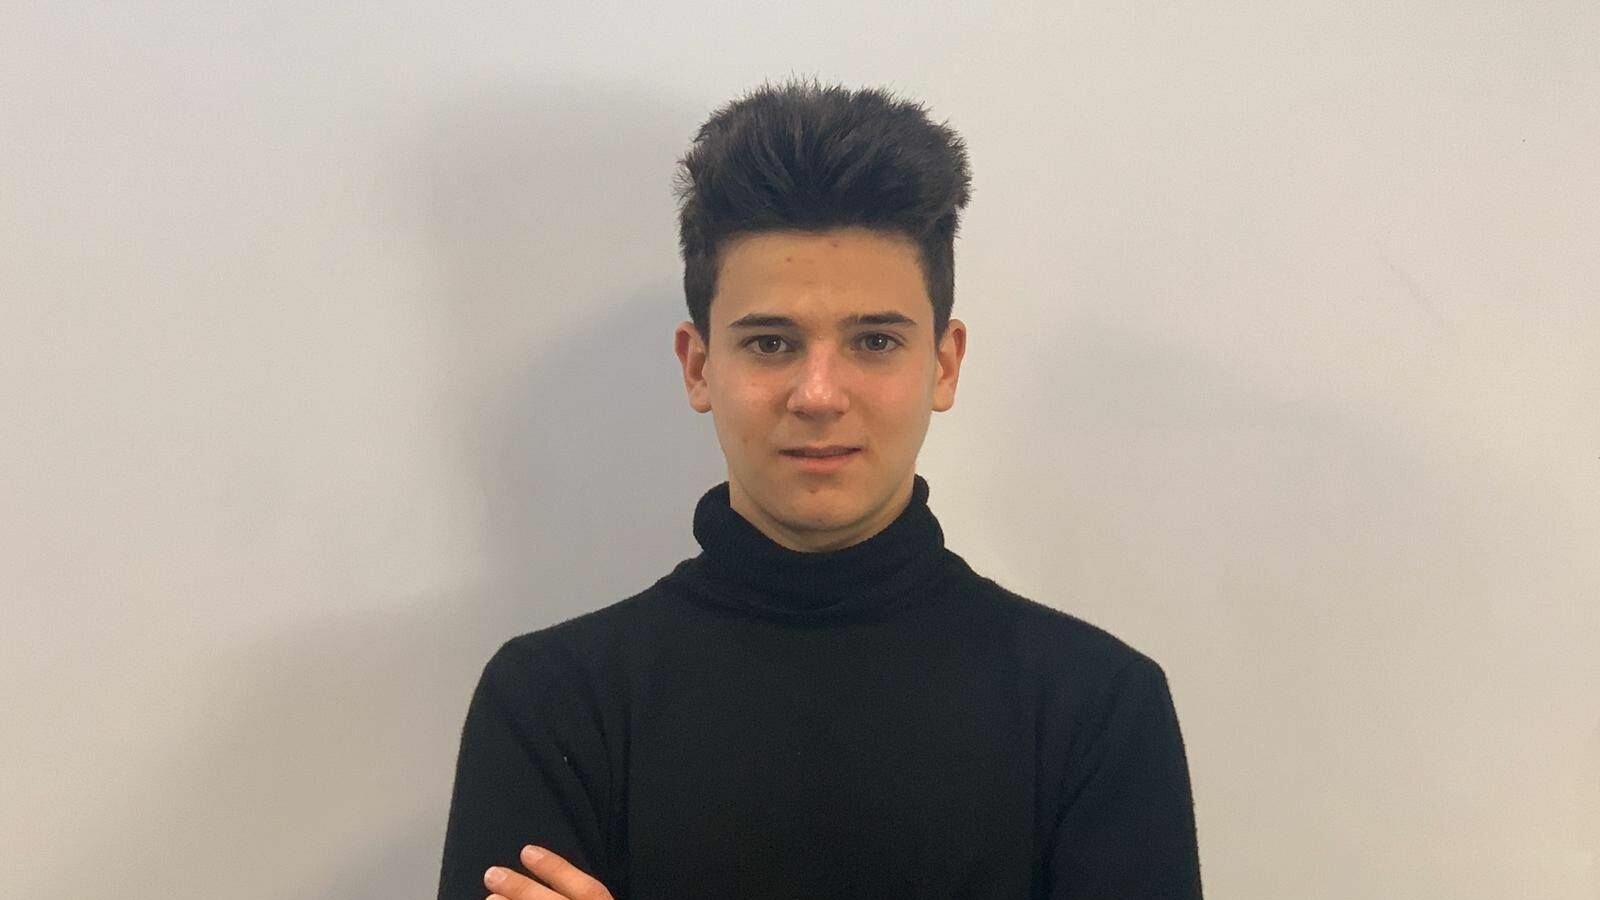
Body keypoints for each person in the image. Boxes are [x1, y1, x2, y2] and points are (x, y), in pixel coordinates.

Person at [435, 77, 1203, 900]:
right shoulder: (553, 702)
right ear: (699, 367)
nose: (819, 394)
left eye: (875, 341)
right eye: (771, 343)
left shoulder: (1095, 706)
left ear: (943, 365)